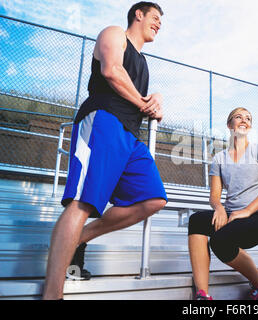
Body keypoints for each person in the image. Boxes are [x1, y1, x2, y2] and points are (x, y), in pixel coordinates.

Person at [42, 2, 167, 299]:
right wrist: (145, 102)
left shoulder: (144, 62)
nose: (159, 24)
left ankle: (80, 238)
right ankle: (52, 294)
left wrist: (155, 99)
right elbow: (111, 71)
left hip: (131, 134)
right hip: (103, 119)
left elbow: (143, 99)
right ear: (138, 14)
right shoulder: (113, 34)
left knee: (153, 199)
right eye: (155, 17)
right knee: (83, 202)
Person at [188, 107, 258, 300]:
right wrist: (219, 208)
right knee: (196, 220)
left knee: (220, 241)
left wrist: (247, 211)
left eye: (248, 118)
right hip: (232, 216)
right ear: (230, 125)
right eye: (239, 117)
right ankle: (202, 295)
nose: (244, 120)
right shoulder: (219, 158)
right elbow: (214, 195)